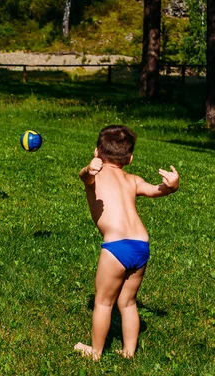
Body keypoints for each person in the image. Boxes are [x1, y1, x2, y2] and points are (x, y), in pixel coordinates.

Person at [75, 125, 179, 360]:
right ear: (130, 159)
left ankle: (96, 352)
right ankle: (129, 351)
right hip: (141, 245)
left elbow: (84, 177)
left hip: (116, 247)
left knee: (102, 302)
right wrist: (172, 186)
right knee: (128, 302)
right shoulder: (132, 179)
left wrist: (89, 170)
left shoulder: (95, 175)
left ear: (96, 153)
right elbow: (156, 190)